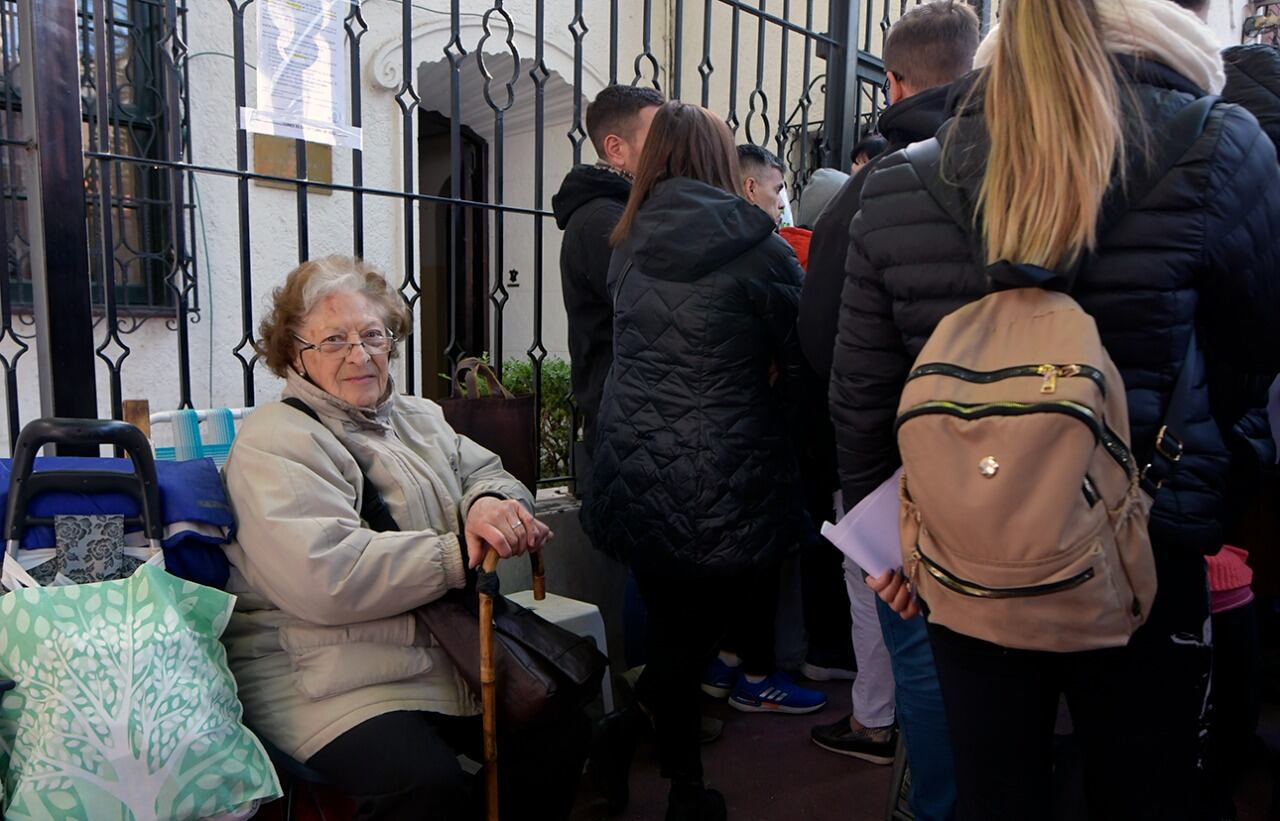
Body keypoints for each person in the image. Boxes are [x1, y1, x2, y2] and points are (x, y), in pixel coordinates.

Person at [835, 0, 1280, 819]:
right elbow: (1253, 363)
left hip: (966, 550)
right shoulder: (1222, 146)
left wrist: (890, 553)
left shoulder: (900, 181)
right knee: (1142, 793)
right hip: (1146, 541)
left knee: (993, 794)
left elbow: (862, 395)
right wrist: (1203, 497)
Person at [221, 256, 587, 821]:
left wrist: (490, 503)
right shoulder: (276, 440)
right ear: (295, 352)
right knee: (419, 784)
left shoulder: (418, 417)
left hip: (435, 647)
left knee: (557, 722)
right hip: (317, 672)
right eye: (334, 341)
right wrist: (460, 552)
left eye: (373, 335)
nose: (360, 355)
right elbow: (327, 578)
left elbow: (488, 473)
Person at [585, 101, 812, 821]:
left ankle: (663, 767)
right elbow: (801, 363)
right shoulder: (764, 249)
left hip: (638, 469)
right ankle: (661, 769)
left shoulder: (625, 242)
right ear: (722, 162)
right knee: (693, 641)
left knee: (677, 635)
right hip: (729, 479)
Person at [801, 1, 979, 807]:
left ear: (894, 78)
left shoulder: (876, 186)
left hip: (912, 484)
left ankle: (932, 801)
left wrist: (874, 512)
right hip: (1045, 470)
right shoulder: (1054, 159)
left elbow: (835, 353)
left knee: (927, 662)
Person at [552, 84, 664, 492]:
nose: (669, 151)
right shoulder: (604, 219)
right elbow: (655, 316)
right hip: (626, 427)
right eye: (658, 138)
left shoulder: (623, 211)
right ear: (616, 148)